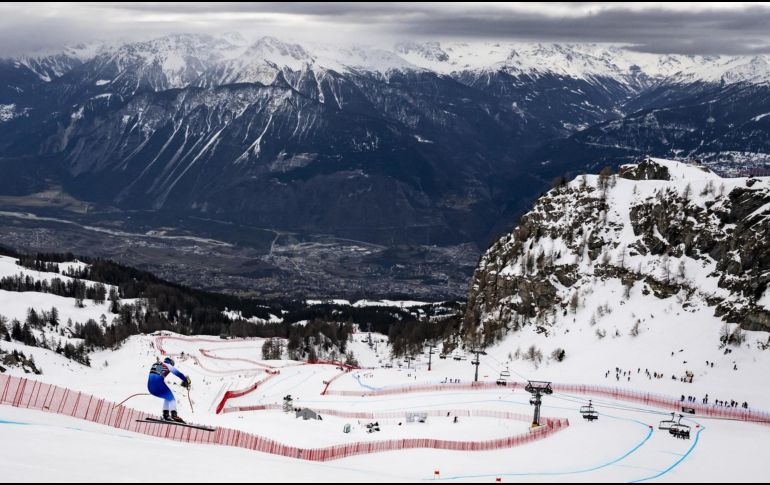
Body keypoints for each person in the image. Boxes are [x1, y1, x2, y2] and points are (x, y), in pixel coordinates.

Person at [148, 357, 191, 423]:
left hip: (150, 387)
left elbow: (157, 372)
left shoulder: (156, 363)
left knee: (167, 397)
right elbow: (178, 374)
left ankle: (165, 415)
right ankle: (174, 415)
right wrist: (186, 380)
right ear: (170, 362)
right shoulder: (168, 365)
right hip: (158, 384)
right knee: (172, 399)